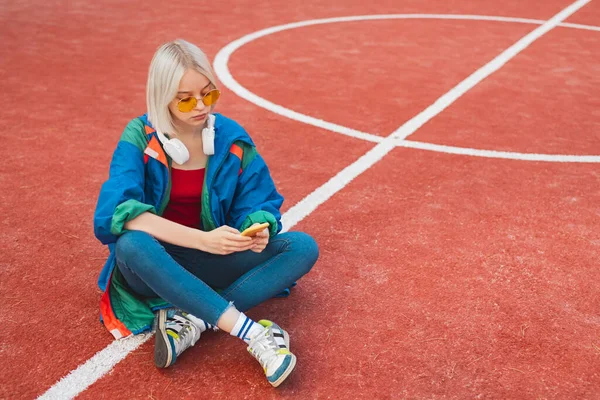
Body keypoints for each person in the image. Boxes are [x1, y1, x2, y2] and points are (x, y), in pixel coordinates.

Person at [93, 39, 319, 387]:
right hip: (155, 264)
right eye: (185, 99)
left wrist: (256, 227)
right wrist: (202, 239)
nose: (200, 106)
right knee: (131, 244)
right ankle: (250, 333)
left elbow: (259, 199)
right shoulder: (139, 135)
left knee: (302, 247)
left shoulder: (230, 137)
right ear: (162, 96)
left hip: (215, 257)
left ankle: (193, 317)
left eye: (208, 94)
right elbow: (114, 212)